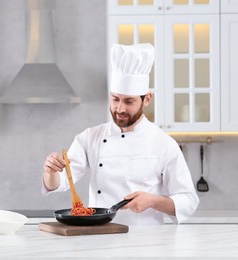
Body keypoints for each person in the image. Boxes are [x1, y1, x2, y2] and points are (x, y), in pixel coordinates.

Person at [42, 43, 199, 225]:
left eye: (129, 101)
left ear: (147, 99)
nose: (120, 108)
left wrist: (153, 201)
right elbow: (59, 183)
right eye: (115, 99)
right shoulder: (90, 137)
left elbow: (189, 200)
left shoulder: (164, 144)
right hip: (99, 241)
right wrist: (50, 171)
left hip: (146, 244)